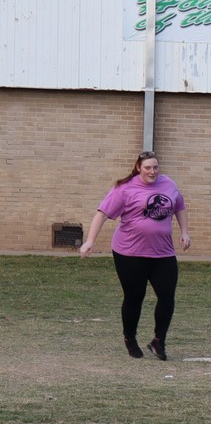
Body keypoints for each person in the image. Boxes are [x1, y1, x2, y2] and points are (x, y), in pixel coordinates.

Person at [80, 151, 190, 360]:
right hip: (130, 253)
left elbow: (180, 207)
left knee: (167, 297)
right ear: (139, 167)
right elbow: (101, 214)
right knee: (134, 297)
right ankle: (130, 339)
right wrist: (90, 241)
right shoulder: (125, 188)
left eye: (155, 167)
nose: (152, 171)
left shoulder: (168, 184)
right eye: (148, 167)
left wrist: (185, 232)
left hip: (163, 253)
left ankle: (159, 341)